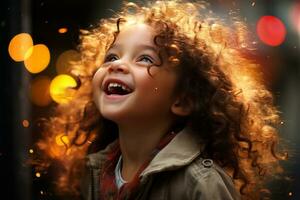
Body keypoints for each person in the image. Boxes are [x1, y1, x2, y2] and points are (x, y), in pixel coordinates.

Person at [37, 1, 286, 199]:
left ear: (183, 100)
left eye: (144, 59)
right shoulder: (93, 171)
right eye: (111, 57)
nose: (118, 65)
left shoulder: (202, 185)